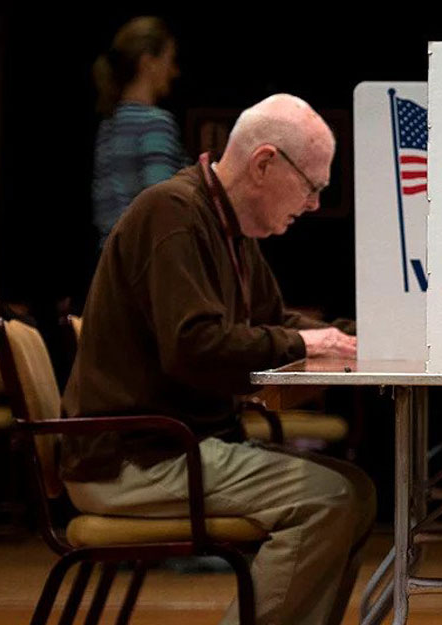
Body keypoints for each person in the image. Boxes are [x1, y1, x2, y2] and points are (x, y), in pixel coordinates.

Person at [62, 94, 372, 625]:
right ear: (264, 163)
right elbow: (195, 347)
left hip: (174, 446)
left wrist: (367, 336)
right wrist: (307, 345)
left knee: (359, 493)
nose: (314, 204)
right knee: (330, 500)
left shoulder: (227, 227)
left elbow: (277, 320)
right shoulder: (174, 214)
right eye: (312, 186)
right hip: (134, 457)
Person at [92, 16, 188, 250]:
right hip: (147, 260)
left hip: (112, 260)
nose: (174, 72)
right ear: (147, 63)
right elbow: (163, 207)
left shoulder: (108, 125)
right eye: (169, 60)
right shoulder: (154, 123)